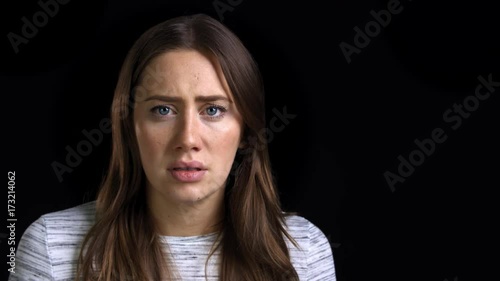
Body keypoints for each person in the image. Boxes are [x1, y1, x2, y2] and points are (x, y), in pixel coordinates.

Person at [9, 13, 336, 281]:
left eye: (213, 110)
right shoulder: (52, 247)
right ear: (130, 126)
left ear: (246, 130)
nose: (188, 139)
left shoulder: (301, 250)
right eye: (163, 110)